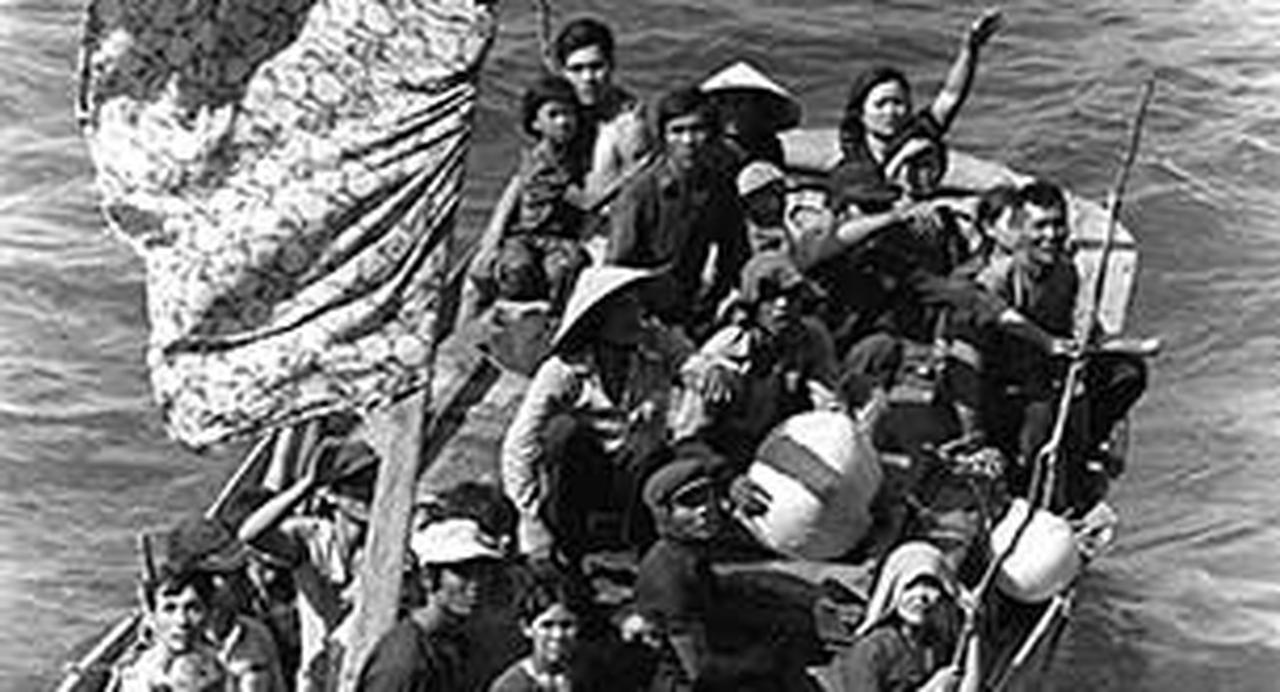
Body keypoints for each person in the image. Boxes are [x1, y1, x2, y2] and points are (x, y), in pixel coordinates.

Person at [965, 181, 1148, 507]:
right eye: (1040, 226)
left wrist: (1105, 345)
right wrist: (974, 433)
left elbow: (1077, 327)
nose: (1051, 235)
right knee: (1041, 416)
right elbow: (969, 353)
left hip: (1049, 373)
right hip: (1007, 391)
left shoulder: (1065, 272)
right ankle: (1032, 493)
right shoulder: (997, 280)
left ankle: (1087, 450)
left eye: (1057, 224)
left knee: (1128, 373)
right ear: (1021, 230)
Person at [501, 265, 691, 569]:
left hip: (632, 477)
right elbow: (520, 442)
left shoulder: (653, 355)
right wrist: (529, 516)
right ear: (598, 318)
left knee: (654, 449)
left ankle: (645, 556)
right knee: (564, 432)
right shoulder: (563, 371)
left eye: (636, 306)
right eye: (623, 308)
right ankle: (568, 551)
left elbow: (691, 362)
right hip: (580, 478)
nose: (635, 316)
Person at [627, 449, 808, 691]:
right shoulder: (669, 576)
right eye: (689, 503)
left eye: (706, 496)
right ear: (665, 515)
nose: (704, 508)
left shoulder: (687, 552)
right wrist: (761, 659)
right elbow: (700, 669)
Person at [673, 251, 841, 468]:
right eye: (770, 296)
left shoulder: (813, 338)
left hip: (780, 444)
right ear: (754, 306)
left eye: (791, 295)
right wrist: (726, 476)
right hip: (724, 456)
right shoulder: (724, 352)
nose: (782, 305)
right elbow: (686, 439)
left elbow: (828, 403)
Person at [235, 440, 377, 692]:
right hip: (318, 680)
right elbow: (251, 534)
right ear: (332, 494)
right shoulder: (311, 537)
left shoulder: (387, 542)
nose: (366, 493)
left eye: (372, 483)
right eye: (355, 485)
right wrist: (307, 484)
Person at [606, 87, 748, 336]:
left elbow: (733, 253)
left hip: (692, 303)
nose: (688, 141)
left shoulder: (719, 187)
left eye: (697, 130)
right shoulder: (639, 193)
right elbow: (617, 265)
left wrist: (717, 300)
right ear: (663, 138)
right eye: (677, 131)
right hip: (643, 307)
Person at [357, 517, 504, 691]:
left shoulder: (454, 645)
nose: (476, 584)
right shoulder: (403, 660)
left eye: (482, 572)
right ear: (429, 578)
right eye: (462, 573)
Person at [823, 541, 980, 692]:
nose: (921, 596)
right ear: (894, 591)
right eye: (910, 586)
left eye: (932, 585)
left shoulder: (932, 645)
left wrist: (974, 633)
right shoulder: (871, 650)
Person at [494, 75, 592, 309]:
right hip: (526, 236)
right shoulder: (541, 162)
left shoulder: (569, 155)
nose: (563, 122)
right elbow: (586, 202)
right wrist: (630, 177)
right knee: (518, 269)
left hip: (559, 237)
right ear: (536, 123)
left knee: (566, 268)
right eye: (554, 115)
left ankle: (555, 319)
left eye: (569, 114)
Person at [551, 17, 653, 200]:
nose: (588, 78)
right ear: (563, 73)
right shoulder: (561, 113)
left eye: (596, 67)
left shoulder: (628, 126)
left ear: (611, 65)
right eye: (577, 69)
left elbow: (639, 195)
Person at [113, 570, 228, 692]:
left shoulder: (219, 672)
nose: (182, 620)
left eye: (193, 609)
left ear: (208, 614)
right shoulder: (134, 673)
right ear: (152, 616)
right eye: (170, 608)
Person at [487, 564, 597, 691]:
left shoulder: (586, 679)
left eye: (566, 625)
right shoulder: (510, 686)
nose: (558, 634)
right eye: (547, 625)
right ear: (527, 628)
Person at [700, 61, 802, 171]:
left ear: (757, 106)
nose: (731, 109)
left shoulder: (768, 145)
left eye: (739, 102)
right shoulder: (710, 146)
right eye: (723, 102)